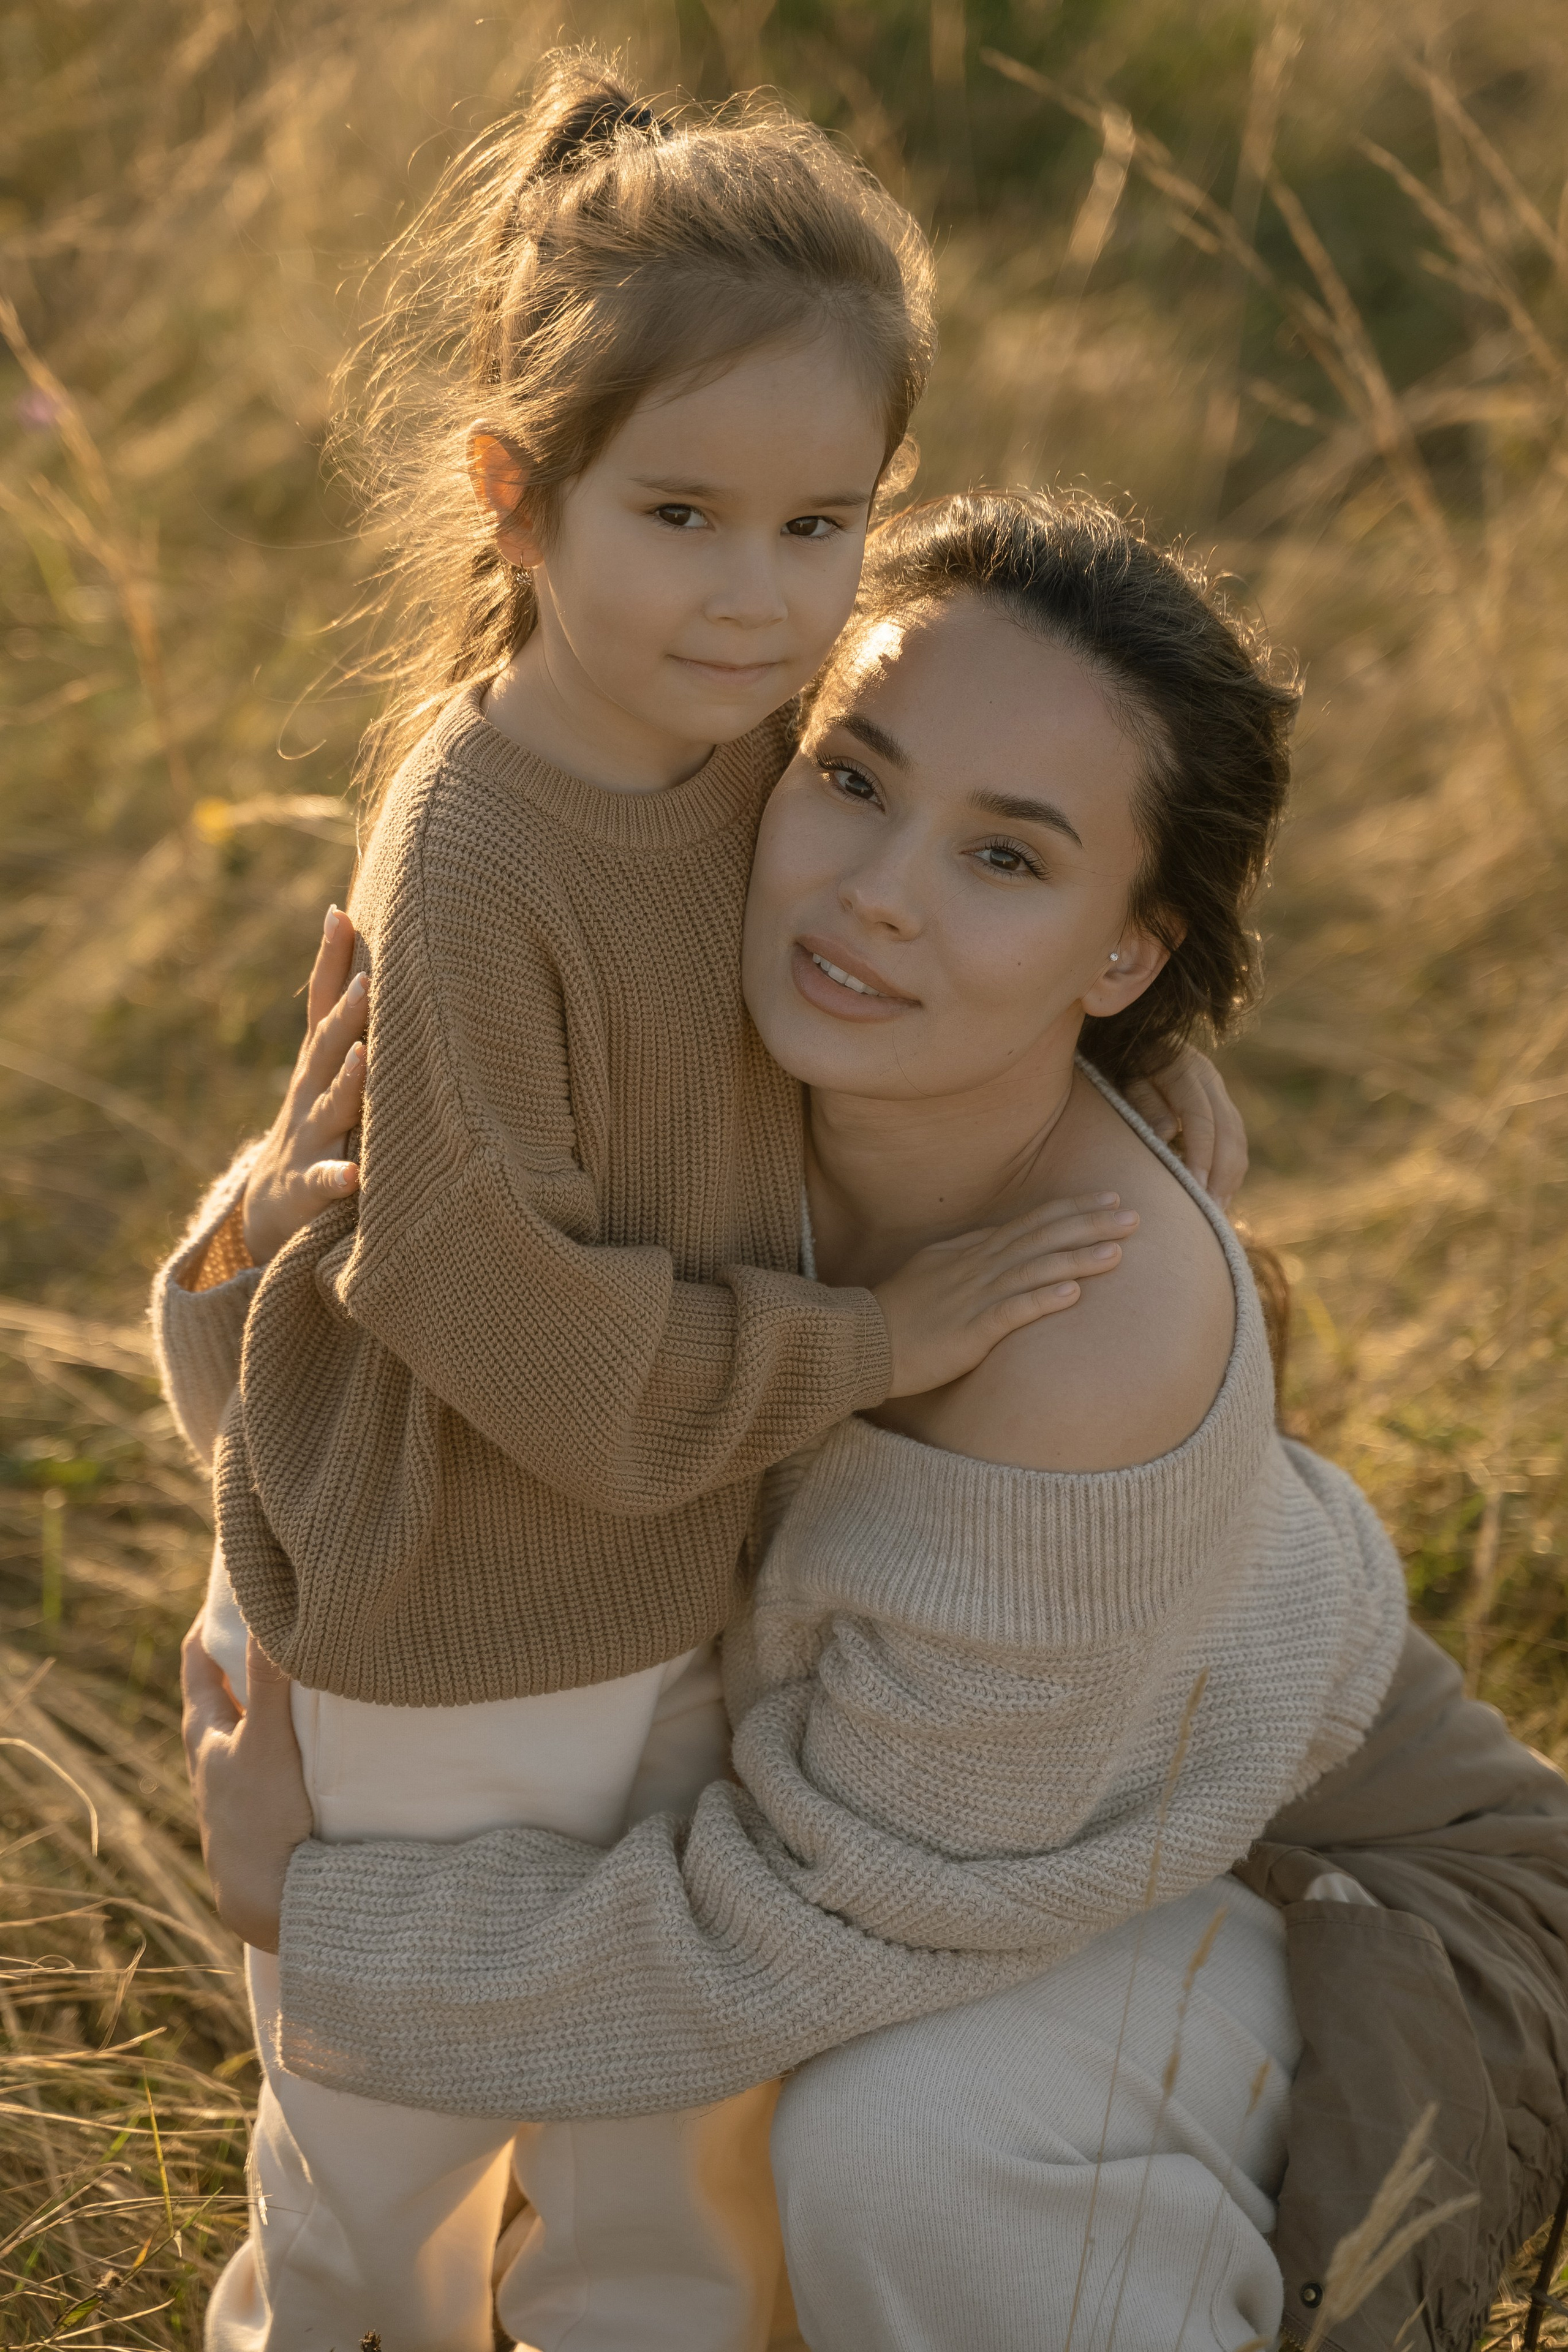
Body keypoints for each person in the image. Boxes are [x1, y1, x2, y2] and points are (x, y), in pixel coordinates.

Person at [170, 486, 1514, 2351]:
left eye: (1011, 863)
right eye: (857, 783)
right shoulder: (716, 1016)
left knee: (906, 2141)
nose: (877, 892)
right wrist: (318, 1211)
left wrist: (319, 1918)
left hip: (1317, 1849)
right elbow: (415, 1416)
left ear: (1128, 953)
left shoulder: (1092, 1332)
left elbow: (814, 1917)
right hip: (981, 1820)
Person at [153, 55, 1240, 2352]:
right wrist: (882, 1340)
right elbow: (505, 1318)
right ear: (516, 499)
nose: (761, 598)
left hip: (683, 1584)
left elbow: (987, 858)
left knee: (669, 2161)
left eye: (823, 524)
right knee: (389, 2168)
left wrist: (1141, 1079)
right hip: (450, 1630)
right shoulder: (474, 848)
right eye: (682, 516)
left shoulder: (762, 744)